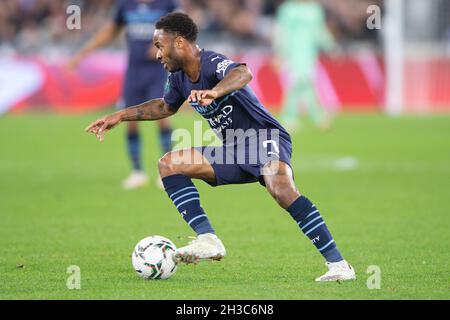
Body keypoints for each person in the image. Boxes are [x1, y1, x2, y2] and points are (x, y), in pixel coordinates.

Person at [85, 13, 356, 281]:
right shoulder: (179, 77)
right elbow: (164, 106)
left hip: (264, 137)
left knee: (280, 188)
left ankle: (339, 265)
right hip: (233, 148)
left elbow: (243, 72)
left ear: (179, 43)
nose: (157, 54)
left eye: (160, 46)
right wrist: (120, 115)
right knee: (169, 164)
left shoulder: (212, 62)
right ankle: (208, 239)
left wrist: (215, 92)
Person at [68, 0, 177, 189]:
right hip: (134, 72)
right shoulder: (126, 5)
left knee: (163, 116)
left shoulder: (166, 4)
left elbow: (181, 29)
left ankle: (168, 170)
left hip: (158, 70)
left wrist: (164, 46)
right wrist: (83, 53)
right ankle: (137, 172)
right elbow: (110, 31)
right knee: (129, 119)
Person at [274, 0, 335, 131]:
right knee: (297, 83)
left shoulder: (315, 9)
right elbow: (280, 33)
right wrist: (279, 53)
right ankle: (313, 116)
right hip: (291, 53)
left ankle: (296, 117)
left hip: (309, 54)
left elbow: (320, 31)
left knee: (305, 83)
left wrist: (331, 47)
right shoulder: (287, 9)